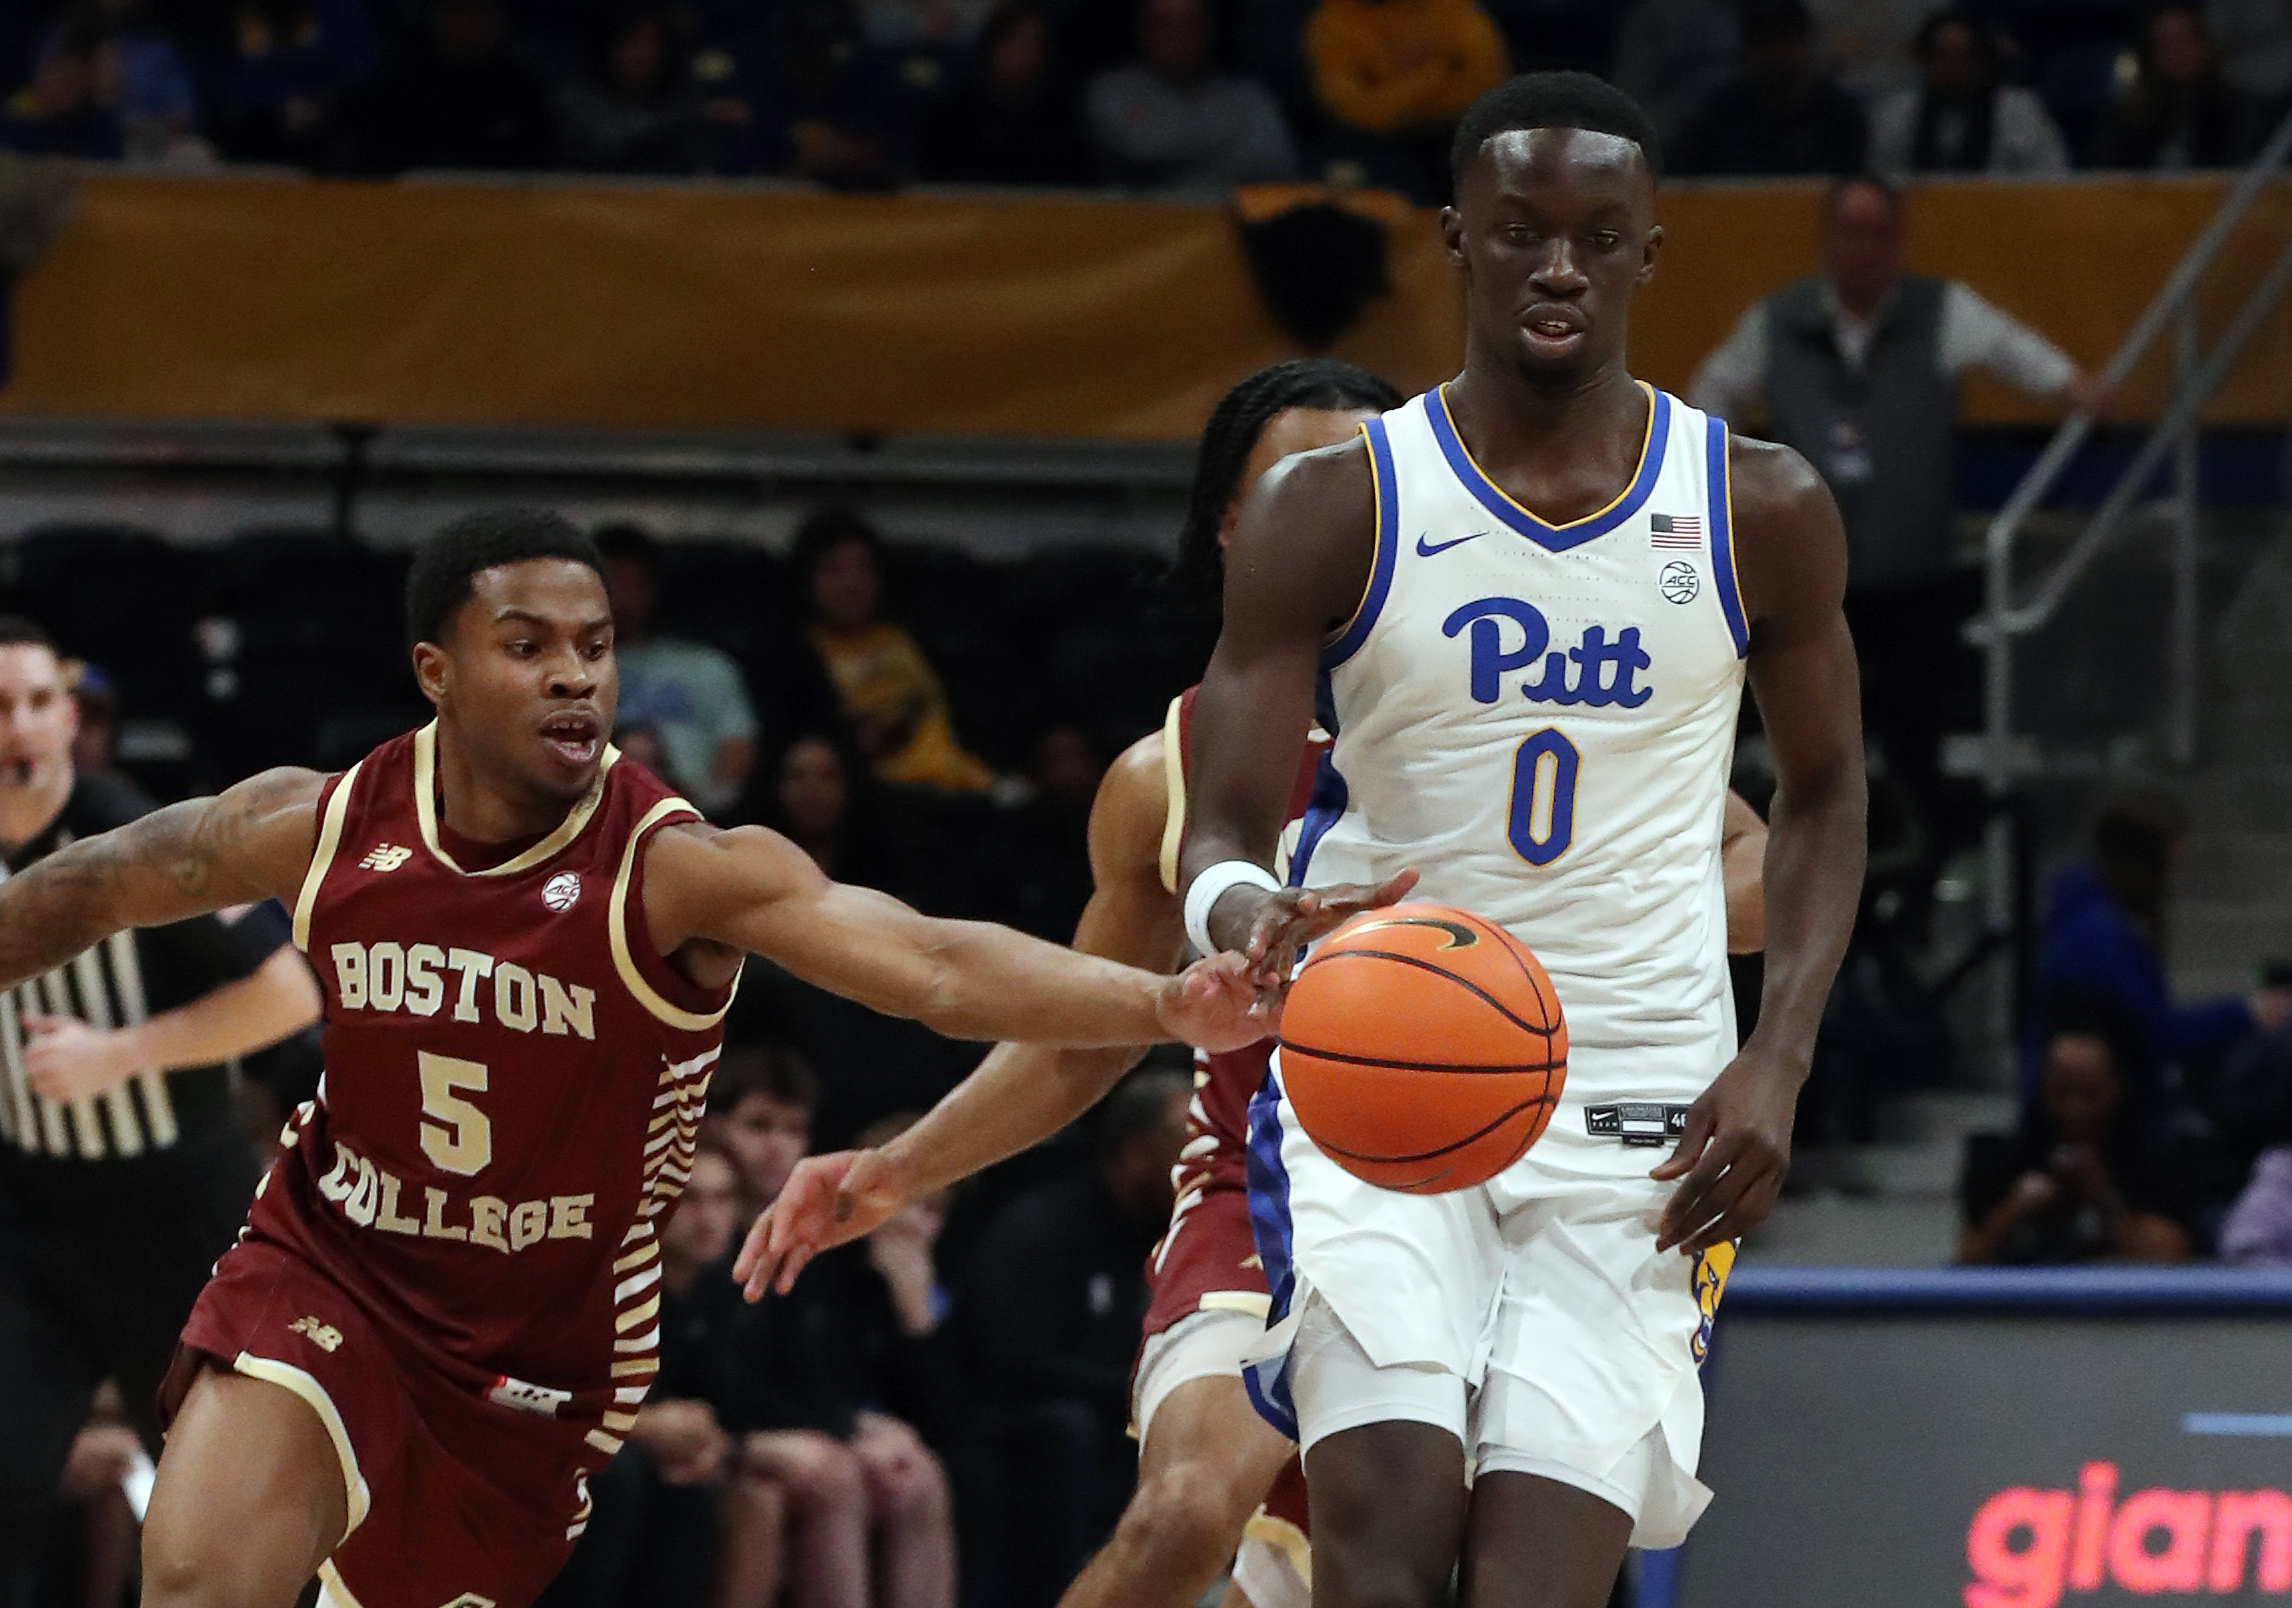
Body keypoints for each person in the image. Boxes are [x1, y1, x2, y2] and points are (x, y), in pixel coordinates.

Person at [0, 510, 1265, 1608]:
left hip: (537, 1349)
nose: (574, 677)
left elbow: (933, 964)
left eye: (595, 647)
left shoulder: (673, 869)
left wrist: (1161, 1002)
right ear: (437, 672)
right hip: (338, 1261)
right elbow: (96, 883)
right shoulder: (322, 824)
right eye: (528, 647)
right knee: (198, 1578)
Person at [745, 357, 1772, 1608]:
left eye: (1372, 491)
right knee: (1187, 1509)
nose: (1344, 518)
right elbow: (1087, 1034)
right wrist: (902, 1167)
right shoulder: (1170, 771)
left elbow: (1762, 866)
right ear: (1237, 527)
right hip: (1264, 1182)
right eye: (1307, 487)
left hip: (1512, 1181)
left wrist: (1607, 905)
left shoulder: (1538, 701)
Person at [1181, 72, 1862, 1607]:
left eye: (1596, 236)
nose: (1558, 266)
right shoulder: (1330, 504)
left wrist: (1781, 1056)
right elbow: (1221, 824)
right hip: (1377, 1055)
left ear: (1647, 253)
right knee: (1381, 1552)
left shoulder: (1757, 504)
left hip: (1643, 1088)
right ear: (1456, 237)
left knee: (1535, 1585)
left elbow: (1826, 796)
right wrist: (1240, 914)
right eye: (1520, 231)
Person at [0, 617, 326, 1607]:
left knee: (218, 1517)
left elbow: (290, 996)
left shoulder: (134, 842)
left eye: (39, 703)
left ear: (71, 719)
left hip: (178, 1218)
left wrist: (120, 1054)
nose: (21, 727)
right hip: (28, 1217)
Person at [1688, 172, 2105, 853]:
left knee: (1917, 739)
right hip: (1815, 585)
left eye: (1878, 233)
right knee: (1808, 743)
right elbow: (1713, 394)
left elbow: (2018, 353)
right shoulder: (1779, 320)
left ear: (1898, 240)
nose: (1864, 248)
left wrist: (2072, 387)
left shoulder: (1943, 312)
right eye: (1851, 232)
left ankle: (1918, 870)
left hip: (1916, 582)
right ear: (1828, 240)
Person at [953, 1067, 1189, 1608]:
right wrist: (1136, 1390)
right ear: (1135, 1154)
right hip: (1008, 1419)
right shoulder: (1040, 1227)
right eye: (1186, 1148)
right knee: (1071, 1430)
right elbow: (1013, 1362)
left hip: (1112, 1417)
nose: (1200, 1168)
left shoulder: (1172, 1241)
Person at [2034, 790, 2292, 1111]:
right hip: (2114, 1112)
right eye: (2168, 868)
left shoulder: (2092, 922)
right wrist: (2245, 1013)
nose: (2170, 884)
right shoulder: (2098, 935)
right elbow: (2153, 1032)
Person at [1957, 1010, 2194, 1265]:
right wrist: (2018, 1208)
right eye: (2061, 1092)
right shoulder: (2004, 1158)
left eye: (2089, 1094)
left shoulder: (2153, 1160)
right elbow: (1968, 1256)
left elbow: (2173, 1253)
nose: (2074, 1109)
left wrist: (2103, 1202)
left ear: (2117, 1087)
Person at [794, 511, 997, 793]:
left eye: (863, 567)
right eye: (832, 569)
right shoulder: (796, 656)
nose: (851, 582)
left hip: (953, 785)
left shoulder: (907, 640)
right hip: (873, 795)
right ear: (806, 581)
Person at [594, 525, 759, 817]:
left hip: (696, 813)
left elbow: (737, 751)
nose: (624, 597)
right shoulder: (565, 670)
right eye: (613, 582)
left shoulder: (707, 667)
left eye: (636, 584)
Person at [1082, 0, 1299, 194]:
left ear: (1209, 26)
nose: (1177, 33)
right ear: (1142, 28)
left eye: (1188, 22)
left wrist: (1173, 159)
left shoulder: (1248, 97)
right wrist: (1225, 143)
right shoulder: (1110, 91)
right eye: (1164, 23)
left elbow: (1273, 161)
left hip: (1227, 222)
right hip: (1135, 223)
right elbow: (1140, 148)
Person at [1303, 0, 1510, 201]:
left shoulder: (1451, 7)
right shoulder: (1333, 20)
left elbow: (1486, 81)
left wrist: (1401, 99)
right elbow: (1356, 109)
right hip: (1376, 147)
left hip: (1453, 131)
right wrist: (1433, 73)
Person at [328, 0, 555, 174]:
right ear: (437, 17)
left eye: (480, 12)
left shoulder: (522, 91)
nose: (471, 25)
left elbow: (543, 171)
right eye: (461, 12)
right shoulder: (399, 87)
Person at [555, 1, 753, 175]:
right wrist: (696, 114)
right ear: (610, 43)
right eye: (633, 40)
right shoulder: (575, 97)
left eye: (652, 40)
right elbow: (607, 142)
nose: (643, 53)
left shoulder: (679, 94)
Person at [1672, 0, 1867, 176]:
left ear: (1805, 43)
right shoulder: (1724, 114)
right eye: (1764, 43)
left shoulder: (1838, 115)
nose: (1775, 54)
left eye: (1785, 41)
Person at [1867, 9, 2069, 175]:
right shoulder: (1896, 114)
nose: (1953, 66)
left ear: (1983, 59)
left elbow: (2051, 176)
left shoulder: (2021, 112)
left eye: (1964, 56)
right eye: (1942, 56)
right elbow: (1878, 179)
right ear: (1924, 59)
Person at [914, 2, 1092, 185]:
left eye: (1036, 43)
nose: (1026, 51)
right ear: (992, 44)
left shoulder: (1060, 116)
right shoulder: (954, 113)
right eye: (1014, 40)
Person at [208, 0, 379, 167]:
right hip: (249, 134)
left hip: (335, 137)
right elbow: (222, 75)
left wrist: (312, 89)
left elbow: (356, 61)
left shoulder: (338, 9)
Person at [2097, 2, 2251, 169]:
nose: (2178, 52)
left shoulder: (2240, 115)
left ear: (2206, 42)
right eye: (2165, 43)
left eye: (2185, 39)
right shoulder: (2130, 121)